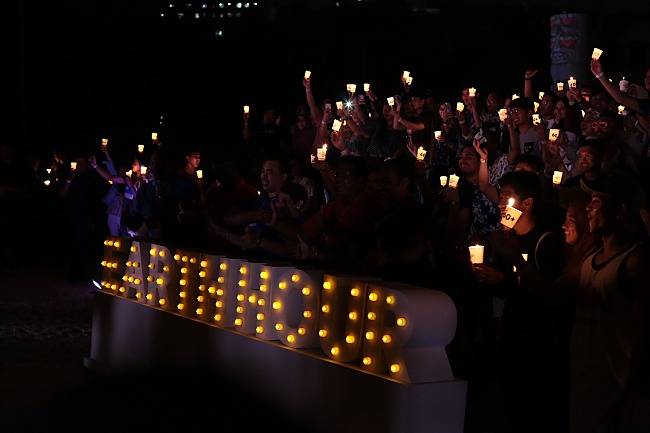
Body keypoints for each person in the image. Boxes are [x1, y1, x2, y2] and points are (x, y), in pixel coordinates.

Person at [471, 169, 567, 433]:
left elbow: (547, 294)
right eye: (500, 199)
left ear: (528, 203)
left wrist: (505, 277)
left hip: (537, 339)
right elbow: (506, 289)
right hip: (511, 332)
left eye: (507, 199)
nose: (501, 205)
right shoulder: (505, 239)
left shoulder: (544, 242)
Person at [570, 170, 650, 433]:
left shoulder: (636, 263)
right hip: (583, 388)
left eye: (597, 202)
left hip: (617, 395)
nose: (588, 209)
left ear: (620, 211)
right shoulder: (590, 258)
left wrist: (634, 396)